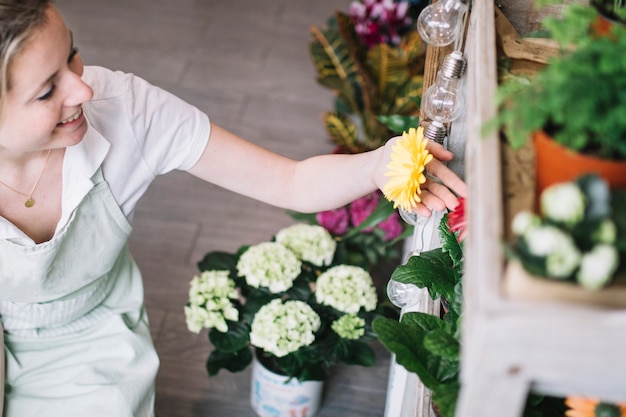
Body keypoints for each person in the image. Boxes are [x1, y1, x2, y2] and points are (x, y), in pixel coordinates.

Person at [0, 1, 467, 416]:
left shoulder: (126, 109)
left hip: (96, 330)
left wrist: (377, 166)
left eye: (71, 55)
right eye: (47, 91)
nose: (81, 89)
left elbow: (291, 181)